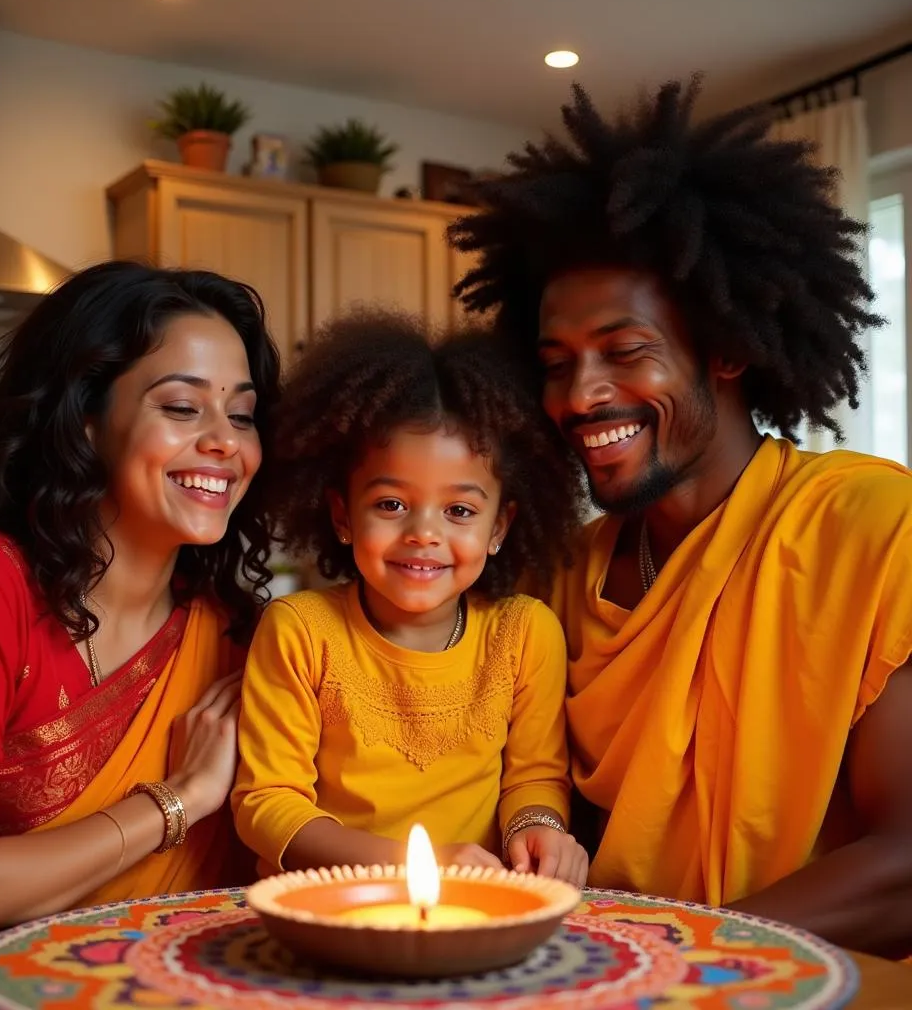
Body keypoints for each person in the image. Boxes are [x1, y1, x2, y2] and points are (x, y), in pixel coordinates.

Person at [449, 77, 912, 958]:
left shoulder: (873, 525)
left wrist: (674, 955)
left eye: (625, 353)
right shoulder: (562, 572)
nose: (581, 397)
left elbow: (907, 863)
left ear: (730, 347)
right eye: (556, 363)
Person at [0, 260, 281, 952]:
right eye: (183, 407)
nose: (226, 442)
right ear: (86, 419)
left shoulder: (235, 628)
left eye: (241, 414)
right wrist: (179, 800)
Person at [231, 311, 588, 884]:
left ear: (499, 527)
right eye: (392, 504)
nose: (424, 533)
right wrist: (413, 867)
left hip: (477, 910)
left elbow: (534, 778)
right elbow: (268, 805)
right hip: (329, 908)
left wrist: (538, 827)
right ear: (343, 514)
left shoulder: (525, 633)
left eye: (460, 511)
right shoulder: (301, 630)